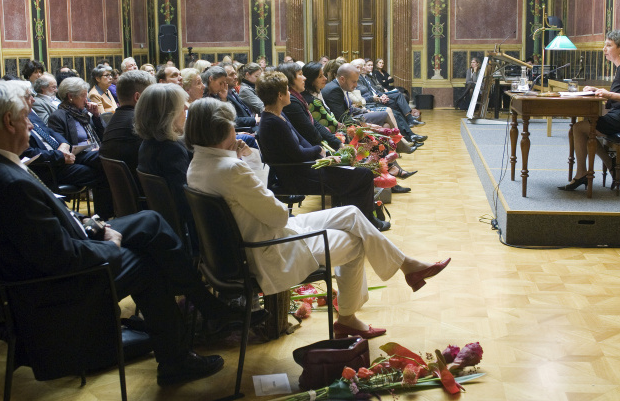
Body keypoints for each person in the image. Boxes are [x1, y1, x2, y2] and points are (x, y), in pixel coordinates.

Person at [0, 80, 226, 385]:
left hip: (35, 268)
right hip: (46, 292)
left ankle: (205, 309)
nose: (29, 124)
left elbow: (46, 223)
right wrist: (111, 245)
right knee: (147, 263)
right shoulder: (8, 185)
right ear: (8, 123)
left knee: (150, 221)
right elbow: (62, 258)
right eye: (24, 118)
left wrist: (94, 225)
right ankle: (178, 358)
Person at [186, 97, 451, 338]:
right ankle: (349, 316)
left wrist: (241, 160)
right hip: (272, 249)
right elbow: (278, 215)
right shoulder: (232, 169)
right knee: (356, 242)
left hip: (259, 239)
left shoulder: (197, 164)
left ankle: (407, 265)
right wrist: (245, 163)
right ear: (223, 129)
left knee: (351, 214)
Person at [255, 71, 390, 231]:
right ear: (279, 95)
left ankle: (357, 221)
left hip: (307, 167)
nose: (289, 93)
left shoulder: (278, 115)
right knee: (363, 175)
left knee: (356, 171)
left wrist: (321, 152)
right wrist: (318, 149)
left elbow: (301, 141)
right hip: (300, 176)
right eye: (286, 89)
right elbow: (297, 153)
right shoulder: (271, 122)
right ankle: (368, 222)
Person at [559, 30, 620, 191]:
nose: (604, 49)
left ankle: (583, 173)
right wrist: (599, 91)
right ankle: (606, 165)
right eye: (604, 45)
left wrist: (608, 94)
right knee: (581, 129)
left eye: (608, 45)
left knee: (578, 129)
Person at [134, 83, 198, 251]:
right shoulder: (171, 150)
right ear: (167, 116)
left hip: (165, 225)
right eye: (181, 108)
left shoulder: (148, 143)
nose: (186, 110)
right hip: (185, 231)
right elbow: (186, 204)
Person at [100, 69, 154, 181]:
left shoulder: (115, 119)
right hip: (141, 190)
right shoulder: (140, 122)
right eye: (151, 95)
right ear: (138, 97)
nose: (154, 99)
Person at [49, 77, 106, 149]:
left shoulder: (84, 113)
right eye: (83, 96)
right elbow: (64, 148)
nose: (86, 100)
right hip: (79, 156)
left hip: (96, 151)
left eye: (86, 96)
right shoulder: (57, 117)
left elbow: (105, 135)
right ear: (70, 96)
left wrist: (96, 115)